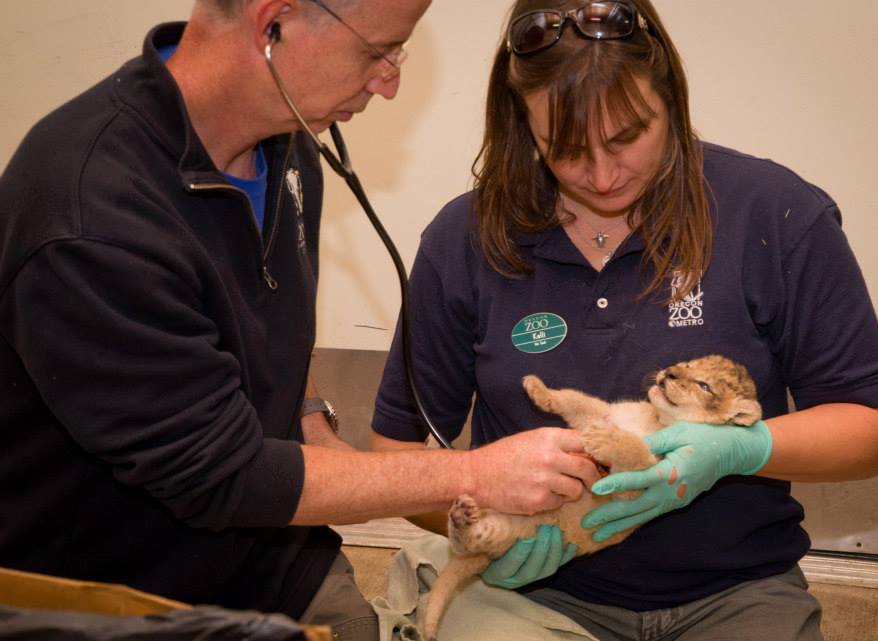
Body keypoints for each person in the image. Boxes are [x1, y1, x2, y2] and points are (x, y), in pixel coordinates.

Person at [0, 2, 603, 639]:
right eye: (378, 52)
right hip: (118, 591)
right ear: (274, 22)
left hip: (269, 551)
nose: (390, 82)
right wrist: (475, 472)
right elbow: (223, 476)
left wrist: (309, 410)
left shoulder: (288, 151)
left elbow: (267, 320)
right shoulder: (92, 218)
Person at [370, 1, 878, 639]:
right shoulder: (466, 238)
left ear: (671, 98)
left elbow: (872, 432)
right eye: (565, 150)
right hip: (534, 592)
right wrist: (484, 529)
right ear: (522, 127)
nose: (603, 173)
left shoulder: (775, 215)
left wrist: (741, 449)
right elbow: (395, 456)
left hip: (735, 592)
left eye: (628, 136)